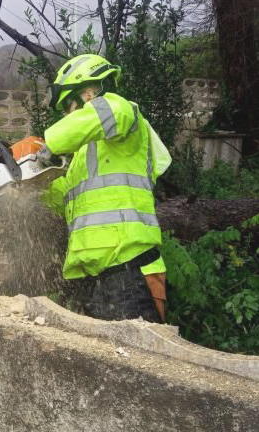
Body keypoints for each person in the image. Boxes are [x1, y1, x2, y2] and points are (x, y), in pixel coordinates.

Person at [37, 54, 171, 322]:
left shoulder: (123, 112)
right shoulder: (83, 159)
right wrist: (28, 184)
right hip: (94, 279)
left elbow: (101, 115)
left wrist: (48, 144)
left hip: (131, 270)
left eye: (68, 107)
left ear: (87, 94)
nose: (67, 116)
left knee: (137, 361)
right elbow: (63, 197)